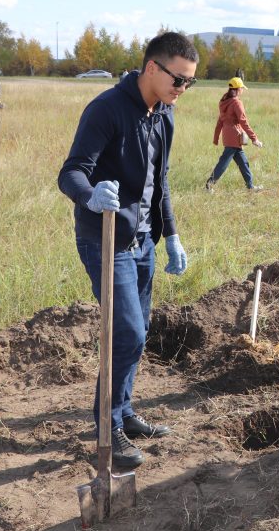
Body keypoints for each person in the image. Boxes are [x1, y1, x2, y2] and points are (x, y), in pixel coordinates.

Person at [58, 32, 198, 470]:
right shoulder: (107, 110)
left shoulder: (164, 115)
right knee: (129, 334)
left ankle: (123, 412)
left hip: (143, 241)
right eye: (179, 80)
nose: (183, 89)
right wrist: (91, 194)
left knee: (137, 335)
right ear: (152, 68)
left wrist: (170, 233)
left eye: (190, 83)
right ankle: (107, 428)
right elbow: (71, 172)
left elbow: (162, 181)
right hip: (104, 239)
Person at [206, 77, 264, 192]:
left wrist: (216, 138)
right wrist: (254, 139)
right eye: (242, 88)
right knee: (224, 163)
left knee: (243, 163)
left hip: (228, 136)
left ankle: (250, 186)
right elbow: (244, 122)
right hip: (235, 137)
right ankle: (209, 185)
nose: (243, 90)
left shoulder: (223, 102)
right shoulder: (237, 103)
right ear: (237, 89)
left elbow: (220, 121)